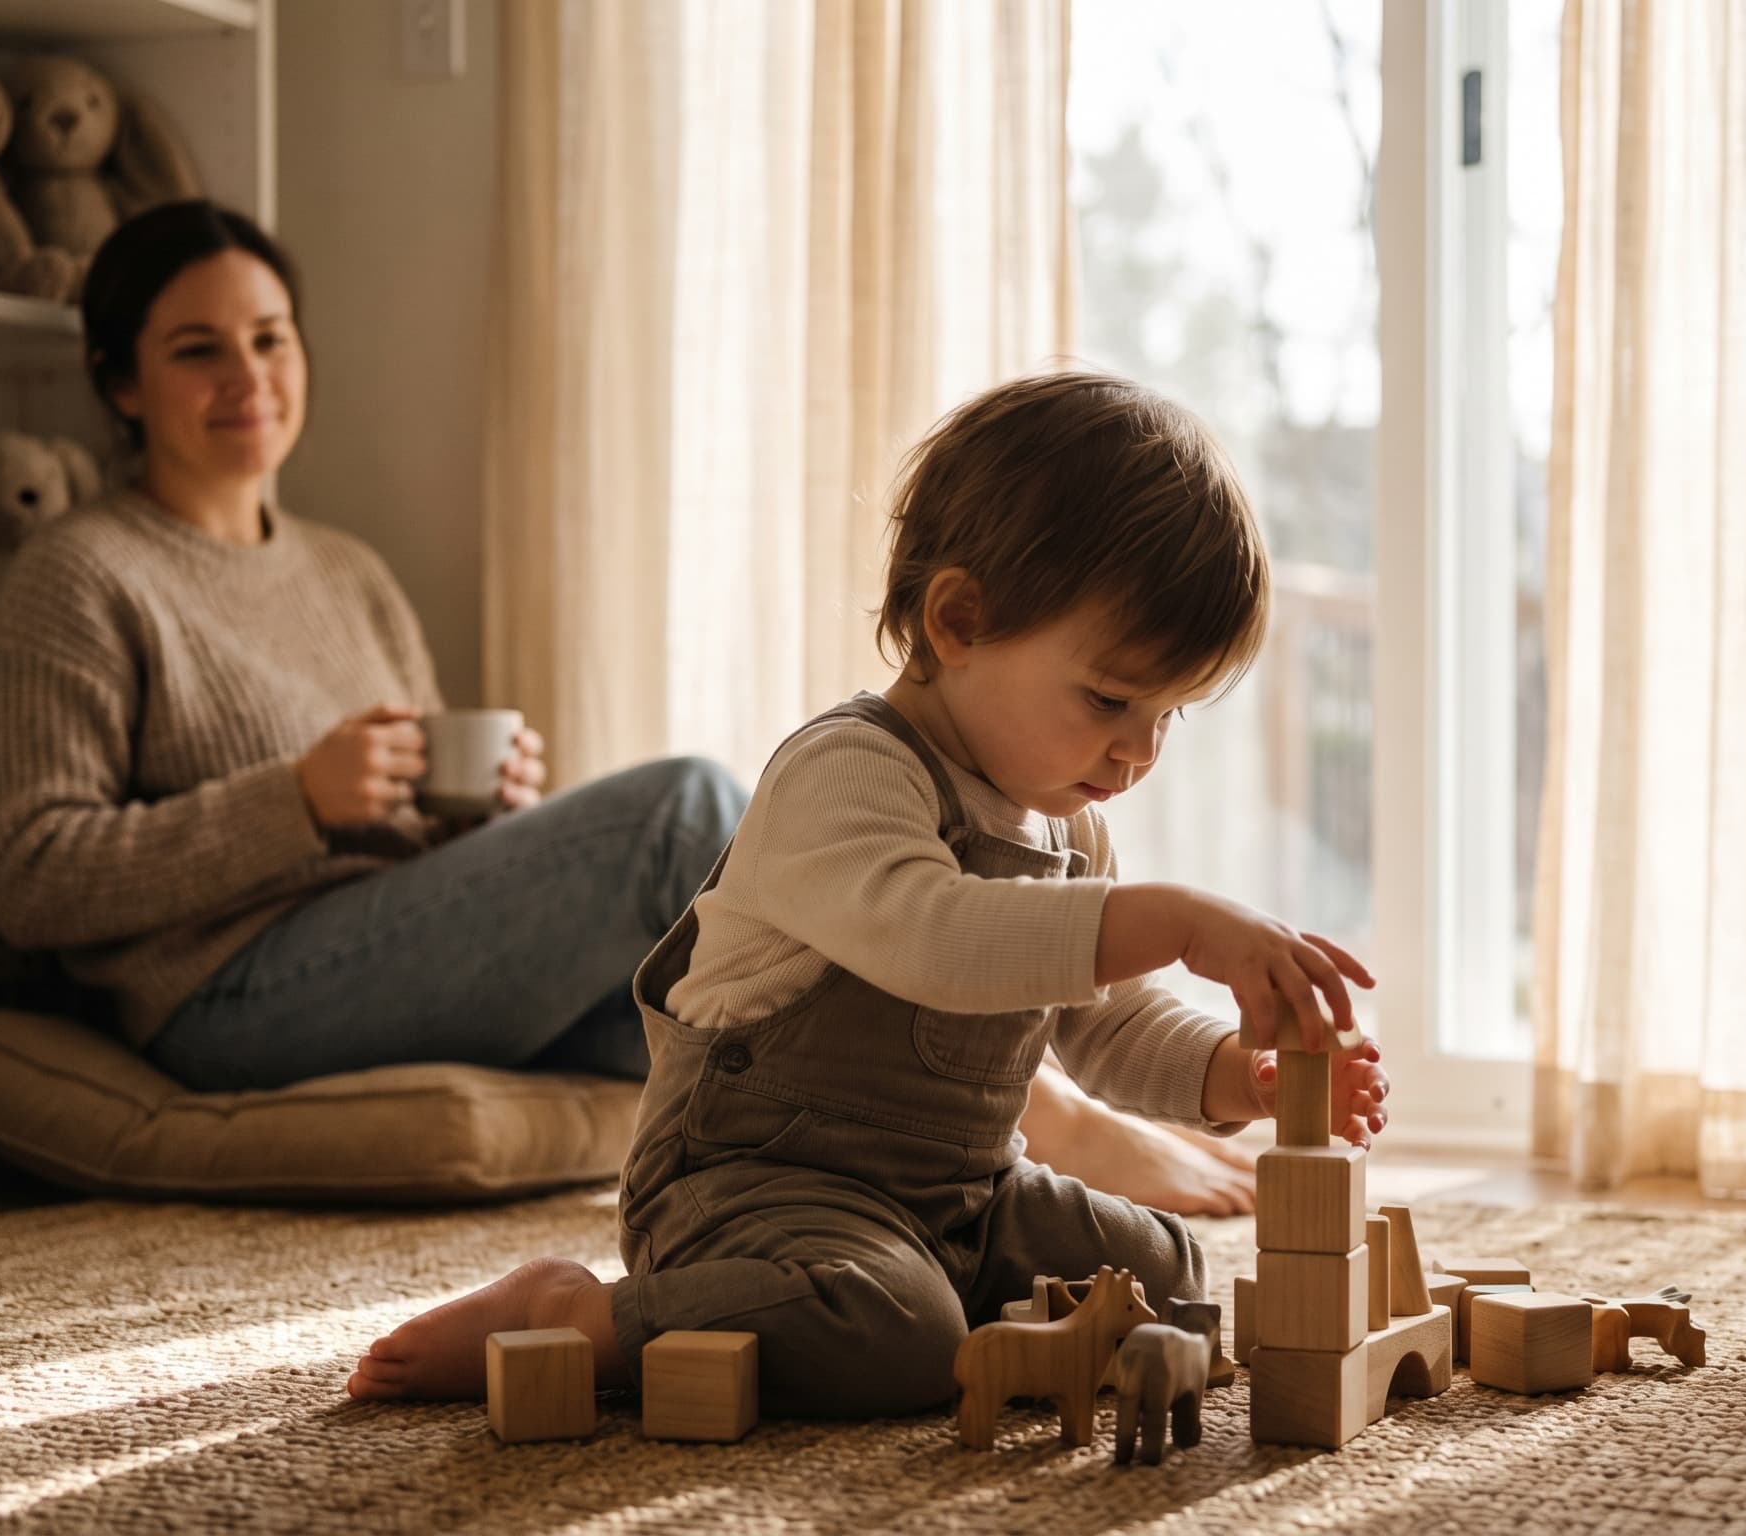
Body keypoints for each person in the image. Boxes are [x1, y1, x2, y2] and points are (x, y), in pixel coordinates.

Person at [347, 371, 1391, 1416]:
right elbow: (938, 942)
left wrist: (1236, 1076)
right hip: (756, 1185)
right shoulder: (846, 773)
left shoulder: (1067, 824)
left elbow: (1104, 1021)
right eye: (1113, 697)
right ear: (957, 621)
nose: (1139, 749)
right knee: (892, 1334)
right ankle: (584, 1316)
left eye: (1172, 714)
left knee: (1162, 1276)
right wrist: (1172, 919)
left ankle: (930, 1295)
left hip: (961, 1195)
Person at [0, 200, 746, 1088]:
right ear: (122, 385)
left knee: (696, 1015)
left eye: (270, 340)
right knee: (679, 811)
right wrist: (294, 802)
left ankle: (891, 1163)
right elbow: (30, 878)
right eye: (198, 350)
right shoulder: (76, 576)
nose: (249, 376)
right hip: (224, 997)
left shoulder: (348, 572)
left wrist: (472, 814)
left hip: (393, 957)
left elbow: (410, 830)